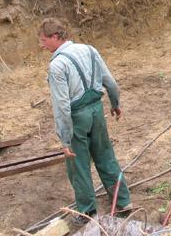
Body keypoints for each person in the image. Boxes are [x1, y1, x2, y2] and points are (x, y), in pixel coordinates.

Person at [38, 18, 131, 222]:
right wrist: (115, 104)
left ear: (55, 37)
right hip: (97, 111)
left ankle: (87, 212)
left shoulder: (57, 65)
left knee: (78, 164)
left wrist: (64, 138)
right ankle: (123, 200)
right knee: (105, 156)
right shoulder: (89, 50)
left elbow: (62, 106)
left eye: (44, 40)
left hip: (77, 117)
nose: (42, 45)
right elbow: (111, 83)